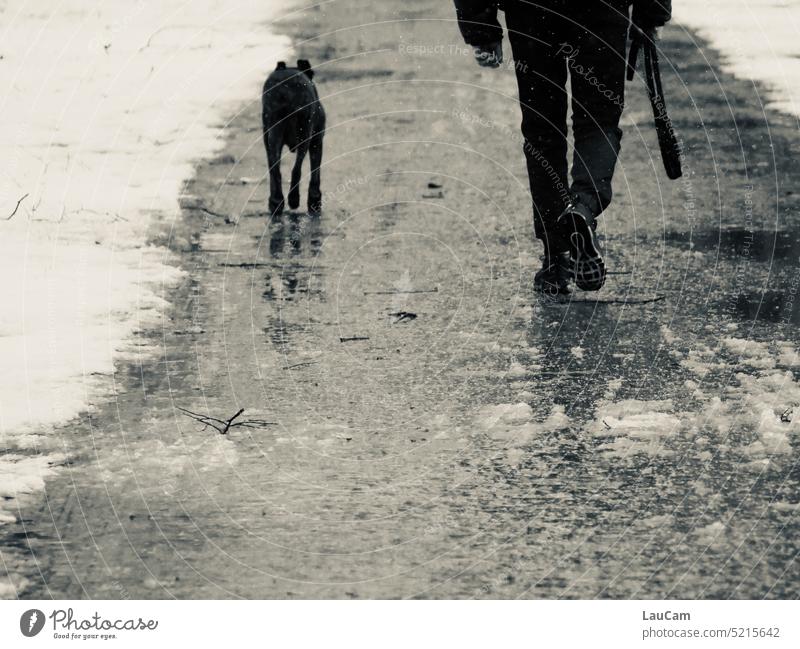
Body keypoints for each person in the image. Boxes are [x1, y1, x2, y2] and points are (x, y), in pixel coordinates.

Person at [453, 0, 672, 294]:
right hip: (603, 8)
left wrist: (480, 27)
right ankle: (582, 206)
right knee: (598, 119)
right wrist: (651, 13)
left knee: (543, 128)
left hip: (531, 11)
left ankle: (556, 258)